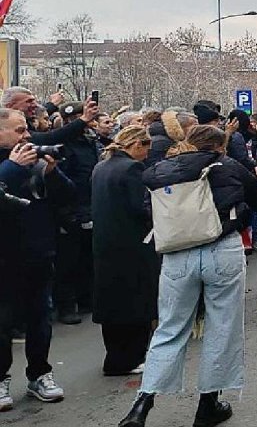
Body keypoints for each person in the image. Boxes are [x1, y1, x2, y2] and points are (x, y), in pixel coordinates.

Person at [118, 125, 257, 427]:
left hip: (177, 252)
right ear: (220, 147)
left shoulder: (161, 169)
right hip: (221, 248)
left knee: (169, 328)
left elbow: (147, 208)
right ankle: (208, 404)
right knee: (222, 326)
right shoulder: (227, 165)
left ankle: (141, 406)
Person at [0, 107, 74, 409]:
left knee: (40, 321)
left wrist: (53, 172)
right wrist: (12, 167)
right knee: (2, 324)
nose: (27, 134)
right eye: (19, 130)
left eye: (27, 127)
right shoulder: (13, 165)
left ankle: (40, 374)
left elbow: (69, 196)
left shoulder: (35, 159)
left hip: (38, 254)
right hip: (4, 259)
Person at [91, 126, 157, 376]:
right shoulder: (131, 169)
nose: (147, 155)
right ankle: (131, 357)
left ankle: (115, 355)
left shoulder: (102, 166)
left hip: (105, 242)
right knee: (137, 300)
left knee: (111, 301)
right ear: (137, 145)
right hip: (132, 242)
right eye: (146, 148)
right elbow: (140, 207)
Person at [51, 102, 103, 326]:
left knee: (86, 257)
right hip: (70, 208)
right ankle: (66, 306)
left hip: (89, 205)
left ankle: (86, 299)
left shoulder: (91, 142)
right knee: (68, 261)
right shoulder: (62, 144)